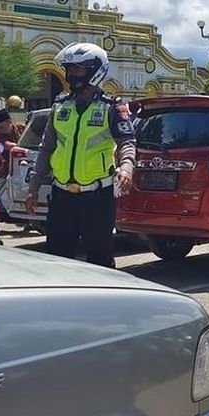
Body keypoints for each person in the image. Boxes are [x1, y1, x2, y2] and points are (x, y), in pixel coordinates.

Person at [25, 43, 135, 267]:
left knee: (99, 258)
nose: (72, 75)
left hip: (97, 196)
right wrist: (33, 188)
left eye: (79, 70)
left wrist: (126, 167)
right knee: (57, 257)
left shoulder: (112, 107)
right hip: (62, 195)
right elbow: (46, 148)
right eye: (70, 69)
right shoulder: (60, 106)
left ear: (96, 71)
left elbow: (127, 141)